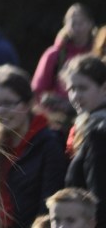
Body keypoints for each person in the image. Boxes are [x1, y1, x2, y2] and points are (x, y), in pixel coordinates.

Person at [0, 64, 67, 228]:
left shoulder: (49, 144)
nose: (1, 110)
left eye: (8, 103)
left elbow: (49, 206)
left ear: (29, 104)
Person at [32, 4, 96, 123]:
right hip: (58, 120)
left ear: (90, 24)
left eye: (81, 23)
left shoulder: (98, 53)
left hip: (92, 117)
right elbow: (37, 91)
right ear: (66, 25)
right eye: (73, 23)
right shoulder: (54, 54)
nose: (77, 28)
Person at [61, 54, 106, 226]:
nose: (75, 96)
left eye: (83, 88)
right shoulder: (86, 125)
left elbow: (99, 197)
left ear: (104, 88)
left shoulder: (99, 132)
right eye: (71, 89)